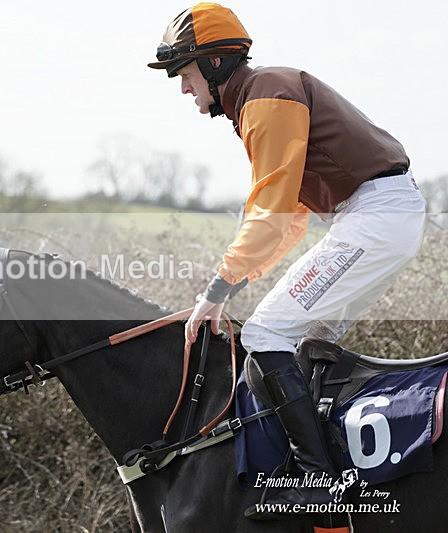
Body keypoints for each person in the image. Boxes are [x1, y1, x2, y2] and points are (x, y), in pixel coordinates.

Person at [148, 2, 426, 521]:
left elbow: (270, 210)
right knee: (306, 342)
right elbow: (291, 217)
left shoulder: (266, 96)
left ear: (212, 64)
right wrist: (234, 283)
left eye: (184, 74)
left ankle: (317, 483)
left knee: (264, 336)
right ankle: (345, 468)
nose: (184, 89)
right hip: (381, 216)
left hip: (373, 217)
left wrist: (217, 290)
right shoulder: (260, 97)